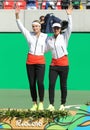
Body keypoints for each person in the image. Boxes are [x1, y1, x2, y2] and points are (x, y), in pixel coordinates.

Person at [15, 6, 47, 111]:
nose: (34, 28)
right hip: (30, 61)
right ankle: (34, 103)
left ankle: (41, 102)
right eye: (33, 26)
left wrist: (41, 52)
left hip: (40, 61)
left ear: (40, 27)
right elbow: (21, 27)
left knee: (40, 82)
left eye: (36, 26)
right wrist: (17, 15)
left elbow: (50, 45)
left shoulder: (45, 36)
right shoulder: (29, 35)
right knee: (32, 83)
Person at [46, 5, 73, 111]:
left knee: (63, 85)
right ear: (53, 29)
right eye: (54, 28)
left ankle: (62, 104)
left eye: (58, 28)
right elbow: (44, 49)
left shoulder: (64, 37)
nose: (56, 29)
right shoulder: (49, 39)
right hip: (53, 65)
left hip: (64, 64)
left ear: (60, 29)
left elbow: (70, 27)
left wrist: (69, 15)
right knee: (51, 84)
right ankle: (51, 104)